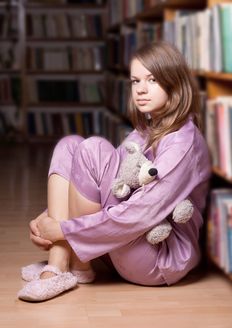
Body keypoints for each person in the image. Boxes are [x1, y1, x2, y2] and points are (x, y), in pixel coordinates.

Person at [18, 41, 211, 302]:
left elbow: (140, 213)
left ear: (174, 83)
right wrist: (48, 220)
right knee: (70, 145)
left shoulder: (183, 144)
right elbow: (105, 185)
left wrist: (63, 230)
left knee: (92, 148)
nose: (140, 90)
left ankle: (60, 267)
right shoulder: (148, 129)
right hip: (126, 243)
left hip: (158, 258)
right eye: (135, 81)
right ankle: (68, 263)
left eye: (152, 80)